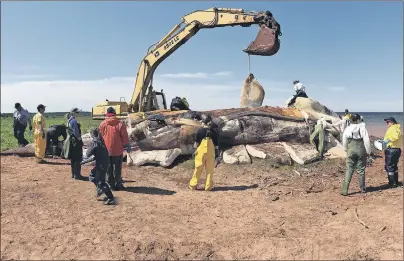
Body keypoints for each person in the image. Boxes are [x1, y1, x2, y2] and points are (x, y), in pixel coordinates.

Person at [98, 107, 131, 191]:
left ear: (107, 114)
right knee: (117, 168)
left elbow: (100, 138)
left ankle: (110, 185)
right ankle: (118, 184)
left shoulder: (102, 124)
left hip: (106, 151)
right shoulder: (120, 124)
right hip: (118, 150)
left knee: (108, 168)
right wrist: (127, 146)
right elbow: (125, 137)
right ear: (114, 113)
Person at [81, 128, 116, 205]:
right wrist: (85, 161)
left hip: (101, 164)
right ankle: (101, 189)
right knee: (92, 175)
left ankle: (110, 198)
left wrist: (89, 148)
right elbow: (97, 154)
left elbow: (88, 154)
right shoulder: (101, 140)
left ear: (92, 134)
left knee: (101, 181)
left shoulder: (94, 142)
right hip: (104, 162)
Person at [340, 113, 371, 196]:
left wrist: (346, 149)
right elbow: (367, 141)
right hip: (361, 149)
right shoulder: (362, 128)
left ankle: (345, 190)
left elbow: (344, 140)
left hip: (351, 149)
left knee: (349, 169)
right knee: (361, 170)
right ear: (358, 120)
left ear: (351, 120)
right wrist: (368, 152)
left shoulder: (348, 128)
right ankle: (362, 189)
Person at [189, 113, 220, 191]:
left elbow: (196, 145)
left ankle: (193, 185)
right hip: (211, 153)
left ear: (203, 122)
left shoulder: (199, 131)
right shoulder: (214, 132)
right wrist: (217, 155)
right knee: (210, 170)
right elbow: (216, 146)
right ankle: (208, 187)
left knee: (198, 169)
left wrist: (194, 152)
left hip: (201, 153)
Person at [63, 108, 86, 180]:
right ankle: (77, 175)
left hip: (71, 141)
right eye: (77, 112)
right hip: (75, 141)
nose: (78, 114)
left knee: (73, 158)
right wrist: (80, 140)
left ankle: (73, 174)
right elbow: (76, 133)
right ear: (73, 113)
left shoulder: (69, 120)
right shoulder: (74, 121)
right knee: (78, 158)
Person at [381, 117, 402, 187]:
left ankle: (391, 184)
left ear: (392, 122)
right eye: (386, 122)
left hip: (392, 149)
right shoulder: (396, 127)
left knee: (389, 166)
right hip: (396, 149)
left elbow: (395, 137)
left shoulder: (394, 128)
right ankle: (395, 182)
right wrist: (384, 141)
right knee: (394, 166)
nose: (387, 123)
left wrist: (388, 140)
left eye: (388, 122)